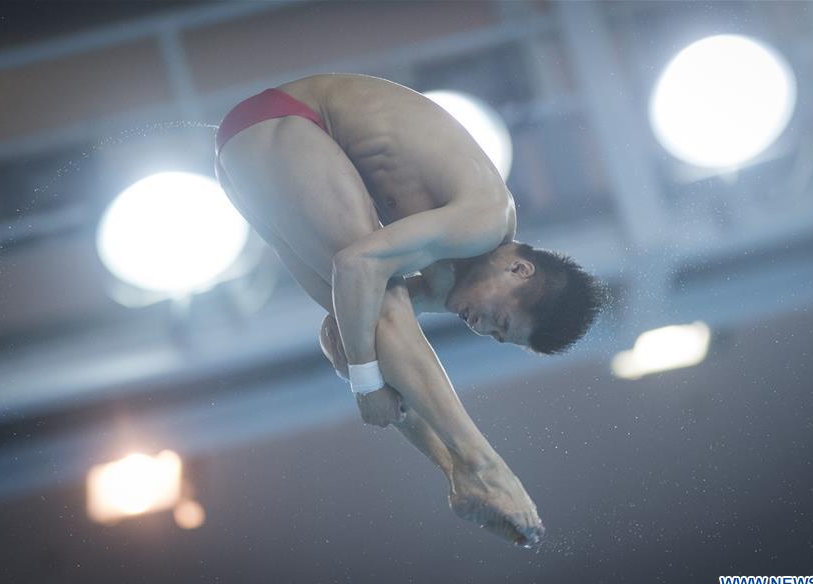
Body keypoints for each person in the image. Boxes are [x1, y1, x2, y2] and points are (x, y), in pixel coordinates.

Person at [215, 73, 605, 548]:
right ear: (519, 270)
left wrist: (363, 371)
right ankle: (485, 467)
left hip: (248, 149)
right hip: (287, 121)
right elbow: (356, 266)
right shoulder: (485, 220)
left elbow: (346, 325)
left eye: (496, 338)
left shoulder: (449, 277)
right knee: (381, 299)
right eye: (499, 322)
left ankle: (457, 473)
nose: (480, 329)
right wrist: (363, 382)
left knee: (378, 316)